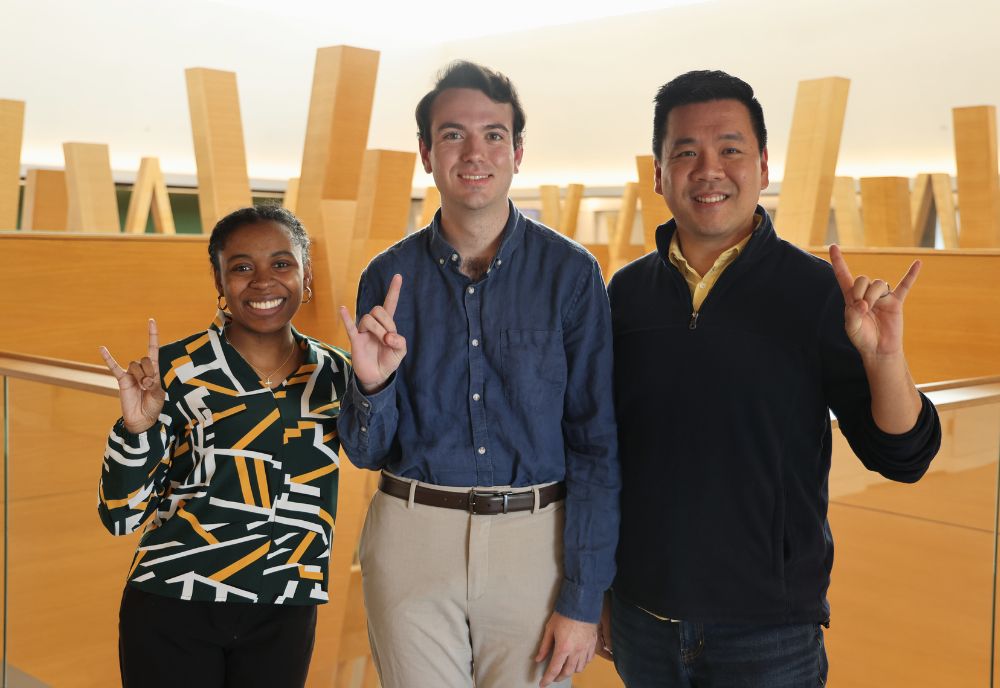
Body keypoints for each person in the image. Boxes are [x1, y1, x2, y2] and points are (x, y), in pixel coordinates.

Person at [603, 70, 941, 686]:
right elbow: (601, 451)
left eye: (730, 149)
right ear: (657, 175)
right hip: (640, 619)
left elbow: (903, 455)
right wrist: (596, 587)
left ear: (762, 165)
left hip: (768, 634)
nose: (709, 169)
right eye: (685, 152)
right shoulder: (624, 295)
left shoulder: (818, 295)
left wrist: (885, 356)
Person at [336, 60, 620, 688]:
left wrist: (583, 593)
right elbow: (366, 451)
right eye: (453, 134)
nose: (475, 151)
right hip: (412, 536)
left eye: (494, 134)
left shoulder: (572, 275)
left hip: (537, 543)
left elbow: (596, 444)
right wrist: (374, 386)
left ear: (518, 152)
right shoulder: (387, 278)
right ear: (426, 153)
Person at [97, 205, 350, 687]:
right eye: (241, 267)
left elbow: (379, 453)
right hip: (176, 600)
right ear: (219, 280)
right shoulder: (173, 370)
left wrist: (382, 384)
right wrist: (137, 431)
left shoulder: (337, 372)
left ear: (305, 273)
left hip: (286, 606)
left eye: (281, 263)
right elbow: (120, 516)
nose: (263, 282)